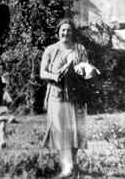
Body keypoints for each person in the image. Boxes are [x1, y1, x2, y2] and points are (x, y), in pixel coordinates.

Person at [40, 18, 97, 178]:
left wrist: (86, 72)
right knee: (60, 131)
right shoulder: (50, 50)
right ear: (58, 32)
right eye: (63, 30)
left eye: (69, 30)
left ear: (73, 32)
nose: (66, 33)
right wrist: (56, 76)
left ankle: (73, 163)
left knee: (76, 130)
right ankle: (66, 166)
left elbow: (86, 68)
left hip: (76, 94)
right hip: (57, 95)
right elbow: (42, 73)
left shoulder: (80, 49)